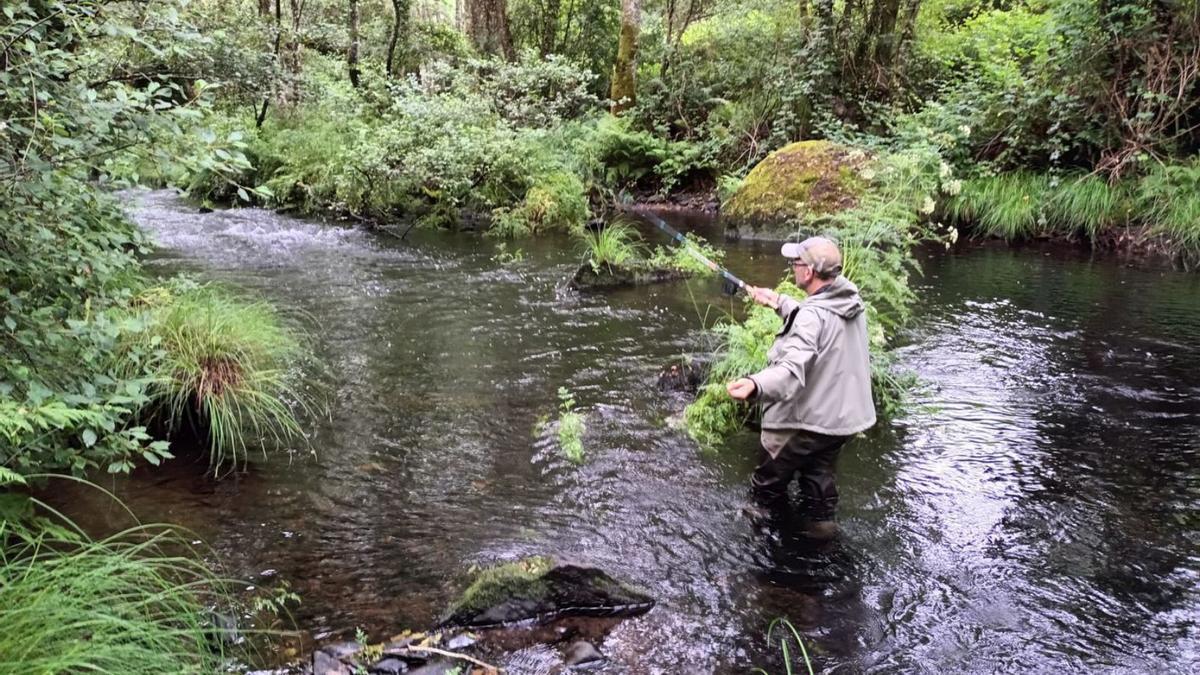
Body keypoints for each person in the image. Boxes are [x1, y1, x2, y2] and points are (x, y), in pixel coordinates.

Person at [726, 236, 876, 539]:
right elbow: (820, 320)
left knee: (765, 489)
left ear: (808, 272)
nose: (792, 267)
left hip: (807, 423)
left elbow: (791, 369)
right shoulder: (848, 301)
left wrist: (756, 384)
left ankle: (758, 554)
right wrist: (779, 301)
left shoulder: (811, 315)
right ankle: (821, 540)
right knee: (818, 483)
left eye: (796, 263)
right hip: (842, 421)